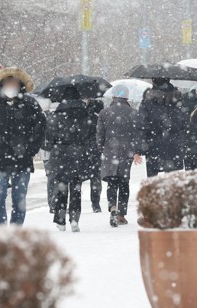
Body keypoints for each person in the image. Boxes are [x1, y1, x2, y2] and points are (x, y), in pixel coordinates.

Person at [0, 67, 46, 226]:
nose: (11, 85)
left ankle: (16, 232)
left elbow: (40, 128)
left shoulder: (30, 104)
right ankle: (0, 232)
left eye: (14, 82)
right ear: (1, 84)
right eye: (8, 82)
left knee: (19, 199)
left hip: (23, 160)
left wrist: (30, 150)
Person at [44, 86, 90, 232]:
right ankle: (74, 218)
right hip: (79, 153)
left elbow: (48, 139)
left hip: (60, 155)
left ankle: (61, 218)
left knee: (61, 187)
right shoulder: (85, 114)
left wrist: (54, 145)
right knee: (76, 187)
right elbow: (89, 135)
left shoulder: (56, 115)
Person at [97, 85, 143, 227]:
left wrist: (101, 149)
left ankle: (113, 207)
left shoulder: (104, 113)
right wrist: (136, 151)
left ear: (113, 96)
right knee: (124, 183)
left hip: (110, 152)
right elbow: (138, 135)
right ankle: (122, 215)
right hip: (126, 152)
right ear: (127, 97)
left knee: (112, 182)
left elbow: (100, 134)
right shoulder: (133, 113)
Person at [139, 77, 186, 177]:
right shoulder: (178, 99)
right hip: (173, 144)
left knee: (152, 182)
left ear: (153, 81)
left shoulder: (147, 101)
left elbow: (142, 124)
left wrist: (141, 145)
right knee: (171, 181)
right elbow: (183, 122)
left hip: (153, 144)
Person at [86, 99, 104, 213]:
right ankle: (95, 204)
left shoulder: (84, 116)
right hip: (96, 150)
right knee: (95, 177)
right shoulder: (100, 118)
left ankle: (73, 202)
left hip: (83, 149)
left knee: (76, 178)